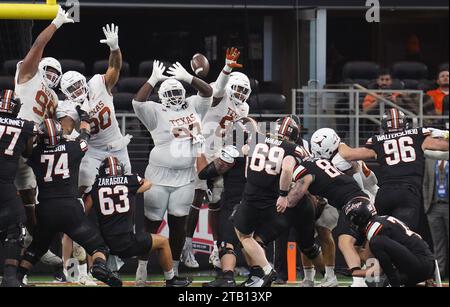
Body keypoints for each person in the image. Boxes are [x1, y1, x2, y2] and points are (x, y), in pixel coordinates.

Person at [132, 60, 213, 285]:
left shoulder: (193, 105)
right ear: (161, 96)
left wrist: (188, 78)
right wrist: (152, 80)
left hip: (186, 177)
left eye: (179, 91)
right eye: (171, 93)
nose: (176, 96)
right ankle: (142, 267)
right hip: (158, 177)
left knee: (178, 225)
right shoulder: (155, 111)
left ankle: (173, 272)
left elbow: (208, 91)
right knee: (151, 224)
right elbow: (138, 102)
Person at [17, 119, 122, 287]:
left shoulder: (35, 153)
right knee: (97, 246)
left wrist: (34, 136)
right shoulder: (72, 148)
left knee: (37, 248)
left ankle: (18, 277)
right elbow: (85, 137)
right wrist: (85, 121)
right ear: (59, 135)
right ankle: (99, 266)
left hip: (45, 209)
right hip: (70, 207)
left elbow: (25, 150)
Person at [13, 6, 72, 268]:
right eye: (46, 70)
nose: (48, 77)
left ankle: (35, 242)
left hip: (29, 150)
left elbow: (58, 124)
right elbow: (38, 43)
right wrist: (57, 22)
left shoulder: (55, 98)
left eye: (53, 75)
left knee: (32, 201)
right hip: (10, 139)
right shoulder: (26, 73)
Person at [183, 47, 250, 269]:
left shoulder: (245, 106)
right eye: (237, 89)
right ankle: (187, 245)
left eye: (243, 90)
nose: (239, 94)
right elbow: (218, 89)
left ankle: (214, 248)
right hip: (201, 146)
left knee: (217, 202)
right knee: (198, 194)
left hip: (222, 152)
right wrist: (227, 68)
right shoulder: (219, 92)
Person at [84, 156, 191, 287]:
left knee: (95, 246)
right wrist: (131, 192)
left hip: (105, 242)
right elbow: (148, 184)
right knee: (163, 242)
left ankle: (98, 265)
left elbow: (85, 210)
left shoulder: (95, 186)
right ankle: (171, 279)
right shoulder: (129, 181)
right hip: (127, 241)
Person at [339, 108, 449, 234]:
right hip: (408, 193)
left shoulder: (378, 142)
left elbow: (348, 154)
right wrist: (445, 133)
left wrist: (339, 142)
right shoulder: (418, 136)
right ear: (405, 123)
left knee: (377, 235)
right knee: (405, 236)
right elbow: (446, 146)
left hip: (385, 193)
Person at [233, 116, 310, 287]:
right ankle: (259, 277)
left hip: (253, 197)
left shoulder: (256, 139)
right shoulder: (294, 148)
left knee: (244, 237)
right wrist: (283, 194)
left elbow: (243, 150)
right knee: (257, 240)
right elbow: (289, 168)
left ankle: (267, 270)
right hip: (274, 203)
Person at [310, 127, 379, 287]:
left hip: (360, 201)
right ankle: (371, 279)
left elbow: (353, 186)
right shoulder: (345, 154)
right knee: (365, 244)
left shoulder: (340, 160)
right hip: (364, 199)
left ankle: (364, 280)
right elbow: (368, 181)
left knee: (351, 242)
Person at [343, 200, 435, 287]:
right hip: (426, 264)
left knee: (376, 242)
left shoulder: (374, 228)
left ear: (359, 218)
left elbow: (379, 270)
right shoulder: (383, 219)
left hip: (419, 266)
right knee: (377, 283)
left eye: (352, 219)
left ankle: (394, 284)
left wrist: (354, 272)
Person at [0, 90, 35, 287]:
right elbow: (28, 152)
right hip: (4, 184)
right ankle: (10, 278)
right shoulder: (26, 126)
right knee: (17, 227)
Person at [423, 158, 449, 278]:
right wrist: (427, 205)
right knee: (438, 243)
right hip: (433, 207)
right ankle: (440, 274)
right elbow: (426, 183)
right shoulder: (431, 160)